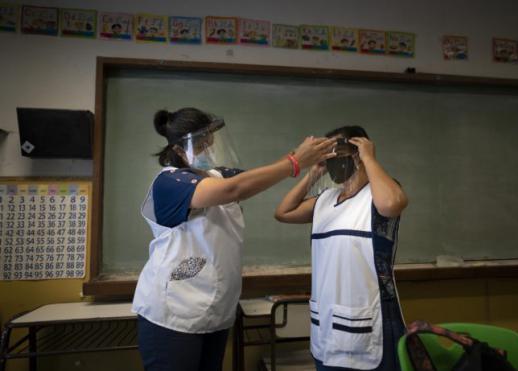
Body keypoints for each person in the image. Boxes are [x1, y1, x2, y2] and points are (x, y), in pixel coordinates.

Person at [132, 107, 335, 371]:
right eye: (201, 144)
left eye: (210, 141)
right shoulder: (169, 183)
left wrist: (313, 171)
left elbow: (252, 181)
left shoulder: (220, 175)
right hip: (172, 315)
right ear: (180, 151)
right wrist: (295, 161)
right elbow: (233, 189)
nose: (209, 148)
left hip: (215, 312)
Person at [275, 125, 408, 371]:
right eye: (329, 154)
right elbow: (283, 212)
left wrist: (369, 157)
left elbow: (391, 204)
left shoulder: (378, 193)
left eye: (338, 151)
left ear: (357, 152)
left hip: (369, 319)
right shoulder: (326, 199)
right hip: (326, 320)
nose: (334, 159)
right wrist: (313, 173)